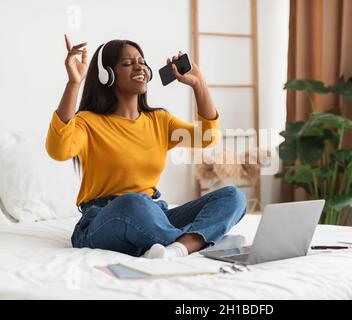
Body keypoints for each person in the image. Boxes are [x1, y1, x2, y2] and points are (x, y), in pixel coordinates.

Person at [45, 35, 247, 259]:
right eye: (128, 63)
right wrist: (74, 83)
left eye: (141, 61)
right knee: (133, 201)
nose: (139, 66)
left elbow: (208, 137)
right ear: (107, 75)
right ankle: (199, 241)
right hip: (104, 219)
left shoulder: (159, 120)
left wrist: (199, 84)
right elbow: (59, 150)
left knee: (233, 196)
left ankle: (178, 248)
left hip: (154, 214)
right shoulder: (88, 121)